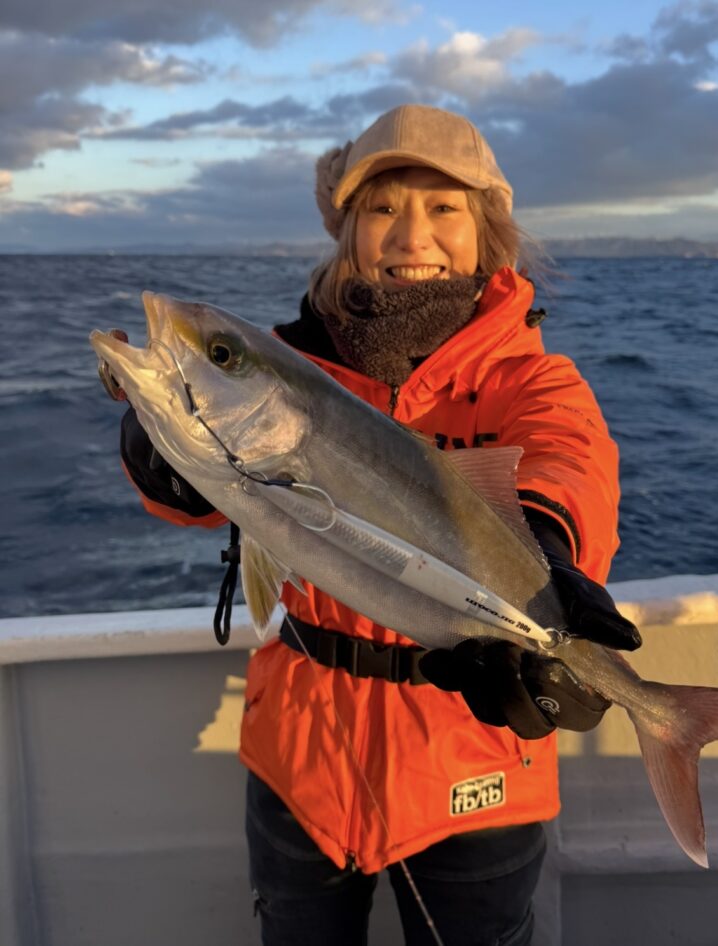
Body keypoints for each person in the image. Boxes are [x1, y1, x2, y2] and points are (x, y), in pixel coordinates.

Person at [116, 104, 640, 946]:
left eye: (444, 207)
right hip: (301, 752)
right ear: (346, 228)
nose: (411, 235)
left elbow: (565, 467)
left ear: (487, 231)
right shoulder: (286, 360)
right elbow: (194, 498)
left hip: (474, 746)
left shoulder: (530, 380)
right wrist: (157, 443)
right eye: (382, 207)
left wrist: (544, 551)